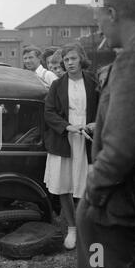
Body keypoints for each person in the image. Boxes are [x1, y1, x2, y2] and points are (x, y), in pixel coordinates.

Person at [77, 0, 135, 268]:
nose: (97, 26)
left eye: (97, 17)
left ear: (112, 13)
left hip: (116, 210)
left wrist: (93, 194)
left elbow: (121, 147)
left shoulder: (132, 60)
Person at [44, 43, 99, 250]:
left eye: (73, 59)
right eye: (66, 60)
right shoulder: (57, 85)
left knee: (87, 187)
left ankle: (89, 229)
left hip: (88, 141)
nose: (69, 63)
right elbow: (49, 113)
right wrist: (67, 126)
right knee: (64, 186)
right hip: (64, 140)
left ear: (81, 59)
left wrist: (96, 123)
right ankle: (72, 228)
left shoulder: (93, 80)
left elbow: (105, 105)